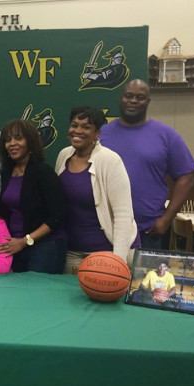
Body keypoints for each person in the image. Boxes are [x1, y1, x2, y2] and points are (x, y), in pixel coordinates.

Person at [100, 79, 194, 249]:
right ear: (121, 98)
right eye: (128, 96)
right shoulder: (102, 135)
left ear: (148, 101)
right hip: (105, 230)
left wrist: (166, 219)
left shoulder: (167, 135)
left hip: (148, 232)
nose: (133, 101)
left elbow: (186, 178)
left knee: (148, 277)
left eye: (140, 97)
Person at [55, 106, 139, 274]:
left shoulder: (110, 160)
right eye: (74, 125)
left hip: (107, 251)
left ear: (97, 134)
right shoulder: (63, 155)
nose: (77, 131)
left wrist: (118, 262)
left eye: (86, 127)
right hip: (72, 251)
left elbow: (123, 215)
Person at [0, 119, 66, 274]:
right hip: (15, 246)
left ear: (30, 142)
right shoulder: (7, 171)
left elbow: (57, 217)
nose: (12, 143)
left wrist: (25, 241)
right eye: (7, 140)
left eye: (18, 138)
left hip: (45, 247)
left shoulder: (43, 172)